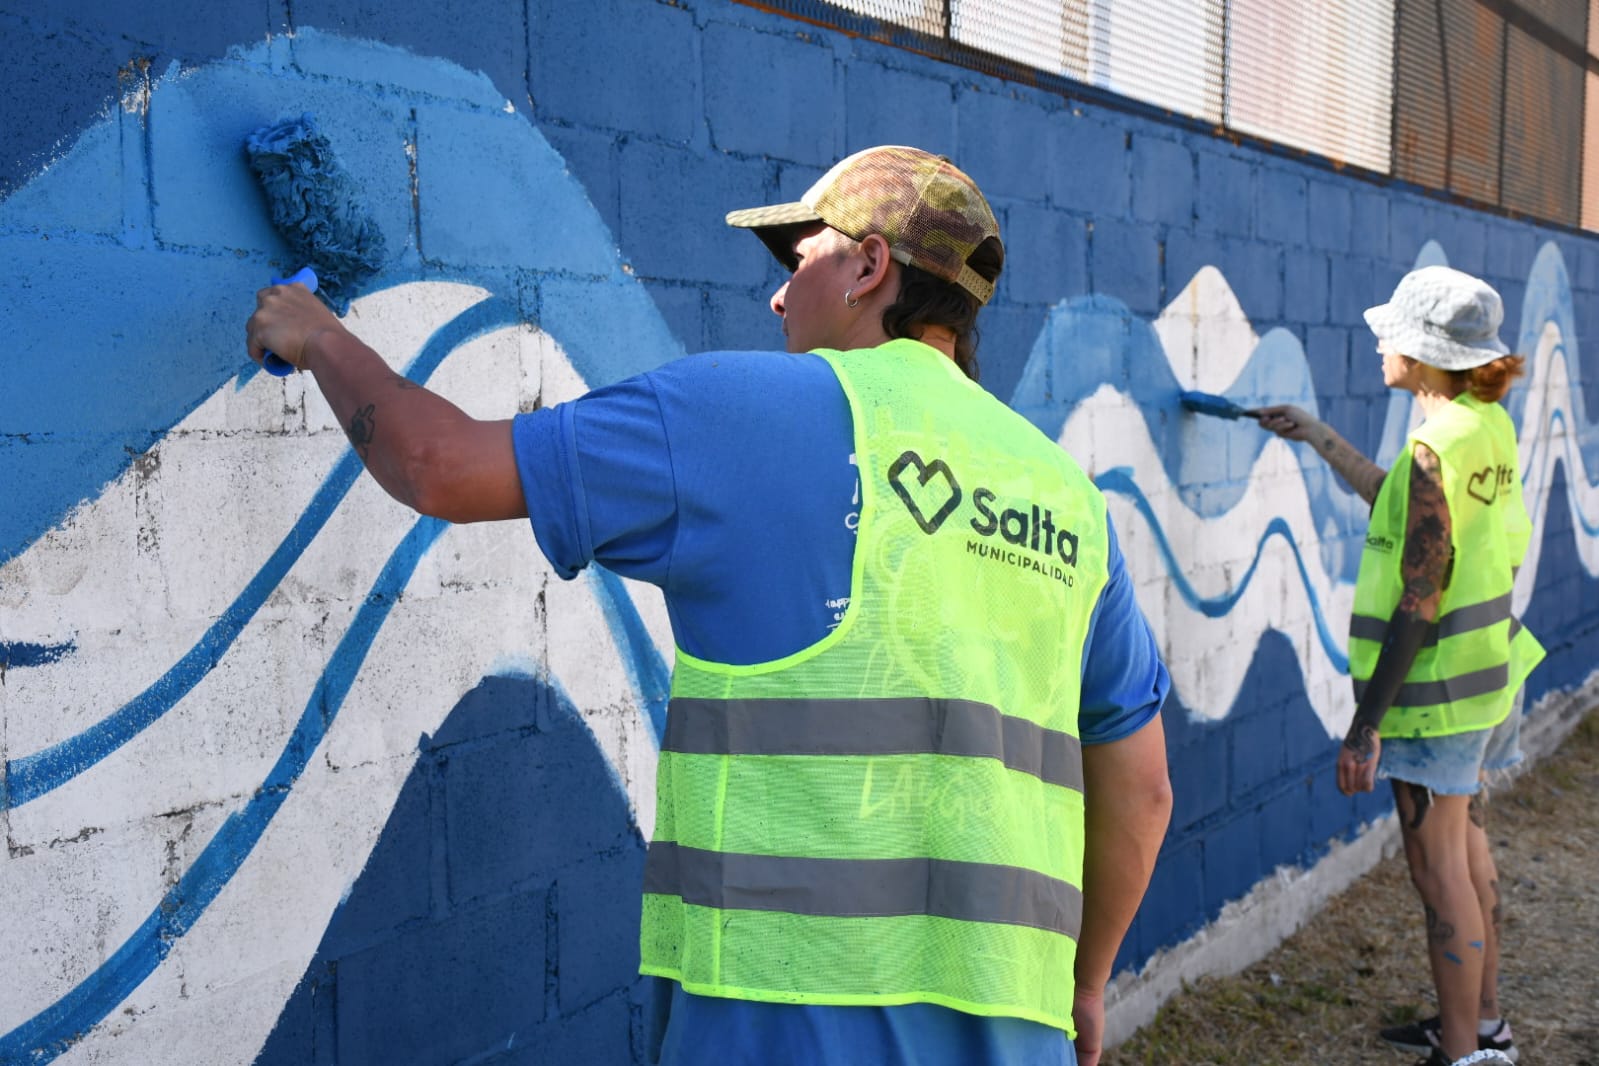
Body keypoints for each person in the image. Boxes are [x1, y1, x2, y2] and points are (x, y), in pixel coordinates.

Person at [246, 145, 1173, 1066]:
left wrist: (318, 334)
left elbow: (436, 464)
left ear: (866, 267)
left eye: (798, 258)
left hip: (778, 1020)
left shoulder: (744, 412)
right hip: (1017, 1028)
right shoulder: (1065, 498)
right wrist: (1084, 987)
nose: (779, 296)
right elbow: (1142, 790)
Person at [1256, 265, 1541, 1066]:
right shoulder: (1481, 426)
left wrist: (1362, 726)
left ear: (1419, 354)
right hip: (1488, 676)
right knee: (1464, 851)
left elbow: (1418, 595)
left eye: (1392, 335)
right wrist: (1317, 435)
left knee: (1436, 868)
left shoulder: (1431, 446)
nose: (1379, 342)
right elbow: (1402, 507)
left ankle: (1463, 1053)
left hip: (1433, 695)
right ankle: (1483, 1028)